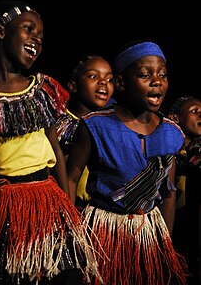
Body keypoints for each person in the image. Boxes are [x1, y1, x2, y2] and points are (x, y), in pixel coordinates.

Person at [0, 0, 102, 285]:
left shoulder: (42, 88)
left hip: (44, 200)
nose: (37, 38)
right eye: (28, 29)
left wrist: (67, 207)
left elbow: (56, 149)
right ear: (0, 32)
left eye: (41, 36)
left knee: (60, 273)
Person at [67, 40, 188, 285]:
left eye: (162, 75)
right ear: (121, 83)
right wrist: (71, 234)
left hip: (148, 234)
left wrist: (165, 242)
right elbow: (71, 178)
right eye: (145, 75)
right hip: (103, 233)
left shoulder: (172, 133)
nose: (157, 81)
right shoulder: (96, 126)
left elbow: (168, 192)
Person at [56, 54, 115, 209]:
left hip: (99, 210)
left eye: (109, 79)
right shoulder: (58, 123)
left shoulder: (113, 125)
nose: (103, 82)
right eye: (93, 76)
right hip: (63, 204)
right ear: (73, 86)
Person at [168, 95, 201, 285]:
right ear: (175, 118)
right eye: (195, 111)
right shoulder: (167, 149)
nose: (200, 116)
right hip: (174, 230)